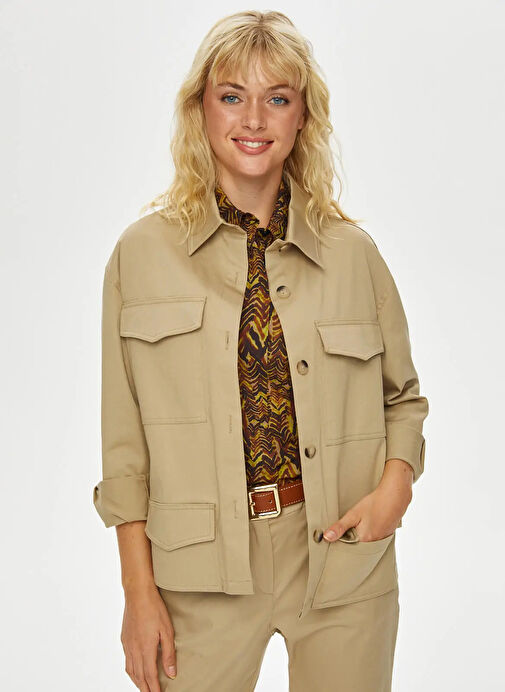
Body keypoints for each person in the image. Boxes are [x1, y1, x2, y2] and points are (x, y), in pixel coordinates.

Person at [93, 10, 429, 692]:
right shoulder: (141, 255)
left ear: (303, 117)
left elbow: (402, 399)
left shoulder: (352, 255)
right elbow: (125, 448)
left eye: (277, 98)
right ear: (200, 109)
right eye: (231, 96)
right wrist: (137, 592)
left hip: (342, 558)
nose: (253, 119)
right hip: (199, 573)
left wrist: (393, 491)